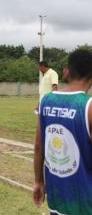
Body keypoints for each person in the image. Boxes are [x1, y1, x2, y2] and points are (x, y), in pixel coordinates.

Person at [33, 49, 92, 214]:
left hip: (57, 197)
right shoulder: (88, 107)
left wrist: (38, 181)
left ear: (67, 72)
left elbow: (39, 146)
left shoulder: (46, 101)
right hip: (85, 202)